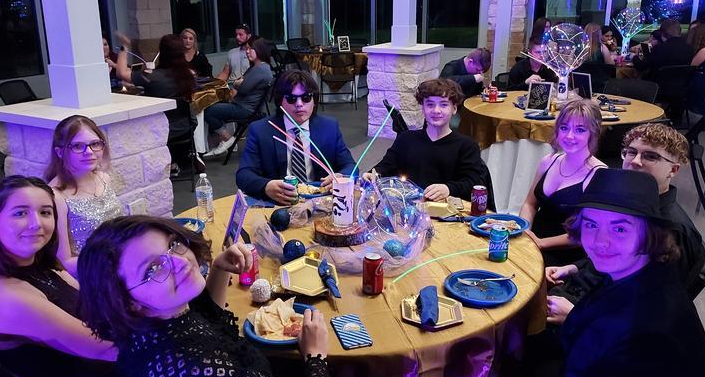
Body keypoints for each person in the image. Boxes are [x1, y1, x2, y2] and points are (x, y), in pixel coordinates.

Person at [432, 169, 705, 377]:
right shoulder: (645, 275)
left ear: (650, 233)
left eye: (620, 229)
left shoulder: (645, 329)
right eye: (591, 224)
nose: (600, 241)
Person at [76, 216, 359, 377]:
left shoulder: (148, 330)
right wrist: (316, 356)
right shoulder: (205, 372)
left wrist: (220, 269)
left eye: (173, 245)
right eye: (153, 268)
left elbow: (201, 324)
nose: (181, 261)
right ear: (127, 300)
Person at [0, 176, 117, 377]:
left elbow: (93, 302)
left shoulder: (38, 264)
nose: (37, 224)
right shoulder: (10, 297)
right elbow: (105, 351)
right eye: (20, 213)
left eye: (45, 212)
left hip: (87, 369)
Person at [547, 123, 705, 317]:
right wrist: (572, 268)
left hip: (598, 318)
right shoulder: (630, 205)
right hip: (585, 290)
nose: (635, 161)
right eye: (631, 152)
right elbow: (609, 252)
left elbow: (651, 310)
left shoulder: (673, 231)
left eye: (650, 156)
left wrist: (574, 315)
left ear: (673, 170)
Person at [236, 70, 357, 205]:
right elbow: (243, 175)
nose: (299, 104)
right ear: (280, 101)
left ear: (314, 100)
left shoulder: (329, 127)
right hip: (279, 204)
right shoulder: (260, 130)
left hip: (321, 203)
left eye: (306, 98)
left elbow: (350, 166)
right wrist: (266, 186)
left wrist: (342, 177)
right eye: (291, 99)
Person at [364, 78, 494, 204]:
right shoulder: (406, 139)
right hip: (409, 210)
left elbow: (473, 183)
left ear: (454, 109)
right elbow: (385, 166)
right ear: (423, 108)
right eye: (430, 104)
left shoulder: (467, 146)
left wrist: (448, 188)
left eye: (443, 105)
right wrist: (373, 174)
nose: (436, 110)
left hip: (448, 213)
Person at [520, 99, 606, 265]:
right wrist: (525, 231)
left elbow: (587, 233)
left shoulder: (599, 175)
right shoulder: (549, 160)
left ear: (593, 133)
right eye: (564, 127)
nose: (569, 136)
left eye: (580, 130)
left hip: (565, 257)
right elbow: (529, 204)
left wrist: (541, 243)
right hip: (532, 242)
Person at [44, 115, 124, 276]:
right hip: (90, 274)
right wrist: (116, 260)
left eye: (95, 144)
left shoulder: (104, 178)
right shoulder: (55, 196)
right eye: (78, 146)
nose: (89, 152)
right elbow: (63, 262)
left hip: (120, 261)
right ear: (60, 152)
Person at [115, 34, 197, 176]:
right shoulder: (188, 75)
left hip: (161, 130)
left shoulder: (153, 77)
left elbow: (121, 72)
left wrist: (124, 47)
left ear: (162, 53)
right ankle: (176, 161)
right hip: (186, 127)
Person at [203, 37, 274, 157]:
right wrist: (238, 82)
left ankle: (228, 140)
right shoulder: (257, 67)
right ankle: (225, 140)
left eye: (251, 49)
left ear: (260, 50)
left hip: (245, 109)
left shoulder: (261, 69)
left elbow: (242, 88)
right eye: (247, 49)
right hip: (245, 105)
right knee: (215, 106)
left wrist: (237, 83)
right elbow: (240, 83)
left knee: (208, 111)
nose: (247, 51)